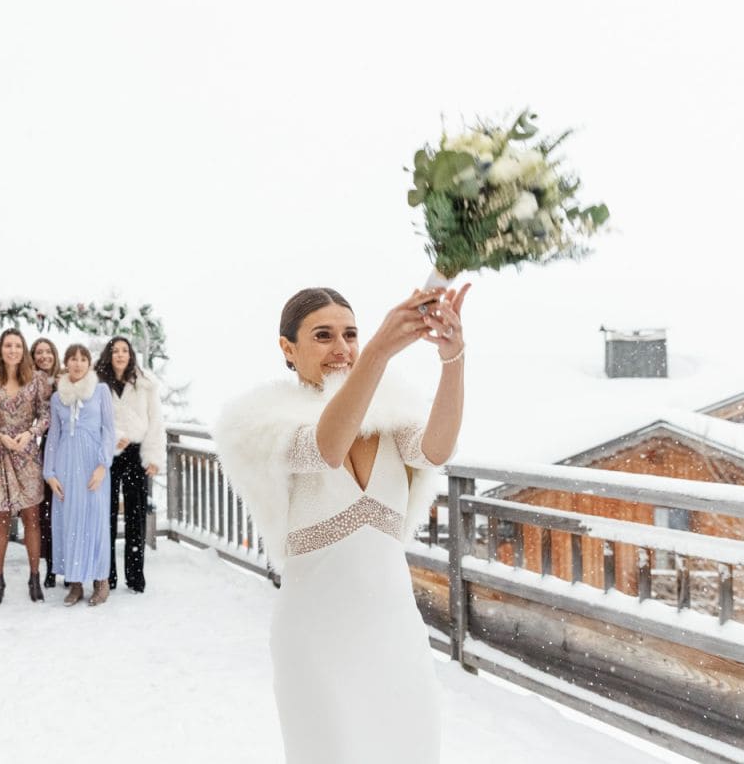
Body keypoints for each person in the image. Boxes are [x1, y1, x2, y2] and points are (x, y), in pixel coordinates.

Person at [212, 285, 469, 762]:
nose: (342, 348)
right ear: (288, 348)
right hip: (317, 640)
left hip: (396, 636)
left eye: (351, 334)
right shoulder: (259, 421)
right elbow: (326, 447)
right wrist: (378, 353)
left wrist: (452, 359)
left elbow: (436, 450)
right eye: (323, 335)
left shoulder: (389, 412)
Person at [0, 328, 52, 604]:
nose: (13, 350)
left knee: (32, 517)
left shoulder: (37, 379)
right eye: (8, 345)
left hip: (27, 455)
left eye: (18, 346)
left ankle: (34, 577)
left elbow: (46, 415)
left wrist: (30, 434)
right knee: (0, 521)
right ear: (1, 348)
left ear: (23, 350)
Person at [43, 345, 115, 607]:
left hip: (93, 464)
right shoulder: (57, 397)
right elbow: (53, 436)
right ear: (66, 363)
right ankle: (75, 583)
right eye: (73, 359)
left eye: (83, 359)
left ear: (89, 363)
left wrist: (103, 464)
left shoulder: (101, 391)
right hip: (65, 463)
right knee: (69, 521)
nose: (78, 363)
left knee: (95, 520)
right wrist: (49, 472)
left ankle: (100, 581)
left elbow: (109, 430)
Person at [94, 337, 165, 593]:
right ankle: (107, 575)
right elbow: (93, 419)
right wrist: (113, 437)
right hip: (108, 454)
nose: (120, 355)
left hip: (136, 453)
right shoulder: (98, 383)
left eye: (125, 350)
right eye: (115, 351)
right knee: (107, 515)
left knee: (136, 515)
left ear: (131, 355)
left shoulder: (145, 385)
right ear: (109, 355)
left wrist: (153, 458)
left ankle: (135, 577)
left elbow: (156, 421)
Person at [30, 337, 62, 588]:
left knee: (66, 508)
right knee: (46, 511)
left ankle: (68, 563)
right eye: (38, 352)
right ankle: (50, 565)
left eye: (47, 351)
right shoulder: (30, 382)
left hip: (68, 447)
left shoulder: (65, 378)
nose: (44, 356)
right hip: (45, 447)